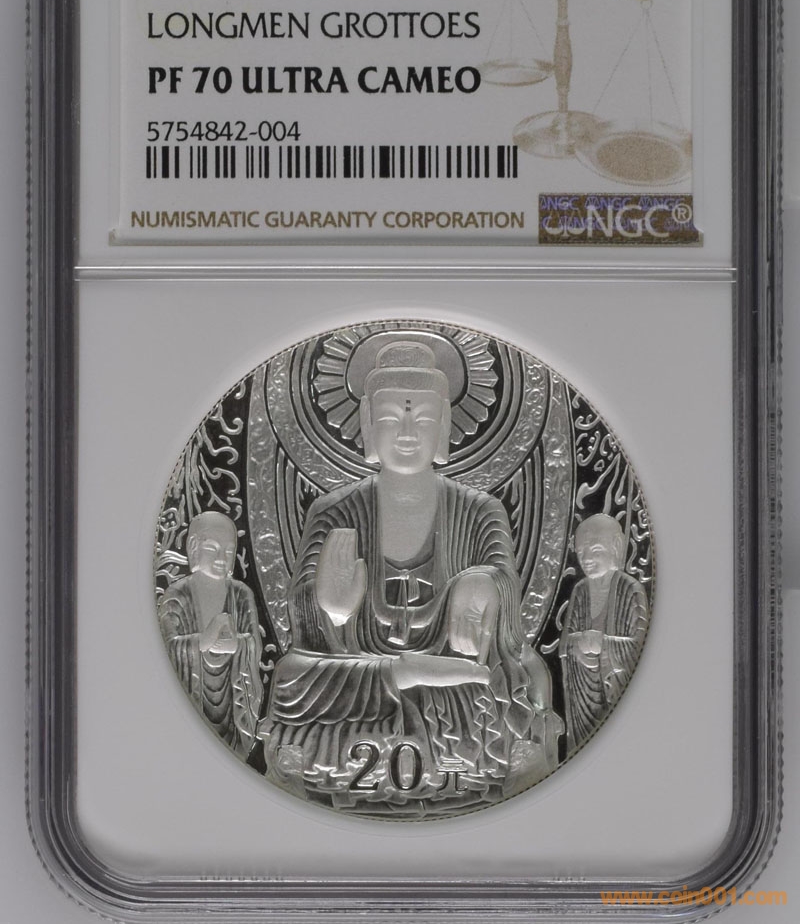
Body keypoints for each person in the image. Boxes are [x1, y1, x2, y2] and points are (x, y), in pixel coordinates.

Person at [260, 338, 552, 814]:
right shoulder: (333, 510)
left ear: (445, 427)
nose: (408, 432)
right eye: (392, 418)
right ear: (367, 424)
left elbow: (506, 592)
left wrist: (482, 584)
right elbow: (305, 619)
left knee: (517, 677)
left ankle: (423, 692)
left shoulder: (480, 510)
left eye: (424, 419)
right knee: (292, 678)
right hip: (357, 669)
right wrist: (331, 610)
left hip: (457, 662)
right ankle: (417, 687)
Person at [159, 511, 263, 759]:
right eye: (213, 549)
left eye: (228, 551)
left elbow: (253, 642)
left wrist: (236, 646)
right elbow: (166, 647)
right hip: (193, 694)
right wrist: (202, 641)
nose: (221, 558)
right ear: (194, 547)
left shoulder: (241, 593)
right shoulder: (177, 594)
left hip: (233, 697)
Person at [559, 513, 649, 751]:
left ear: (616, 547)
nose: (586, 558)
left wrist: (602, 644)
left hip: (616, 692)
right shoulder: (580, 590)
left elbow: (641, 649)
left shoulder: (630, 588)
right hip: (583, 694)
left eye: (595, 550)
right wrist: (579, 646)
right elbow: (565, 646)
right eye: (581, 551)